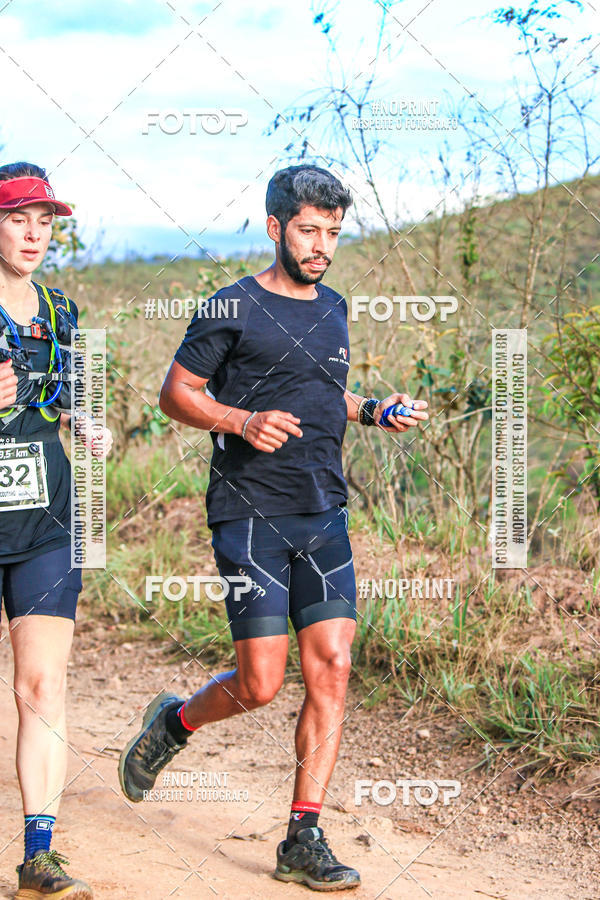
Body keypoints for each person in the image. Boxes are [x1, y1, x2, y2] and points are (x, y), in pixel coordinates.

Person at [118, 164, 428, 891]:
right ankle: (175, 723)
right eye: (309, 231)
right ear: (275, 227)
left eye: (333, 233)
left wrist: (373, 410)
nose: (321, 246)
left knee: (333, 667)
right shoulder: (232, 306)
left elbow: (322, 391)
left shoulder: (334, 308)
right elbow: (176, 393)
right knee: (260, 683)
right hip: (249, 513)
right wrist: (241, 420)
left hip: (323, 512)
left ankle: (302, 837)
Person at [0, 162, 113, 899]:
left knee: (41, 685)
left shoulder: (62, 311)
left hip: (44, 522)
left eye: (44, 221)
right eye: (18, 219)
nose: (34, 234)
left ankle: (38, 857)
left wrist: (89, 423)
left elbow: (79, 397)